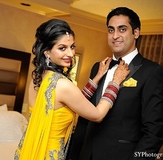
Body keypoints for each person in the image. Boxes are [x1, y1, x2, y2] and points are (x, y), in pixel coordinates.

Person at [14, 18, 130, 160]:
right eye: (62, 48)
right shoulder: (62, 85)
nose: (70, 53)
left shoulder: (37, 79)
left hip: (30, 150)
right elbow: (97, 115)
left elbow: (74, 101)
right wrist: (115, 82)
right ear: (47, 52)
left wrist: (97, 77)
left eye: (72, 47)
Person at [68, 7, 163, 160]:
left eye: (122, 29)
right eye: (111, 30)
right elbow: (85, 118)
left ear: (136, 33)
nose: (115, 36)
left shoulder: (152, 72)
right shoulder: (98, 67)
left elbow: (154, 132)